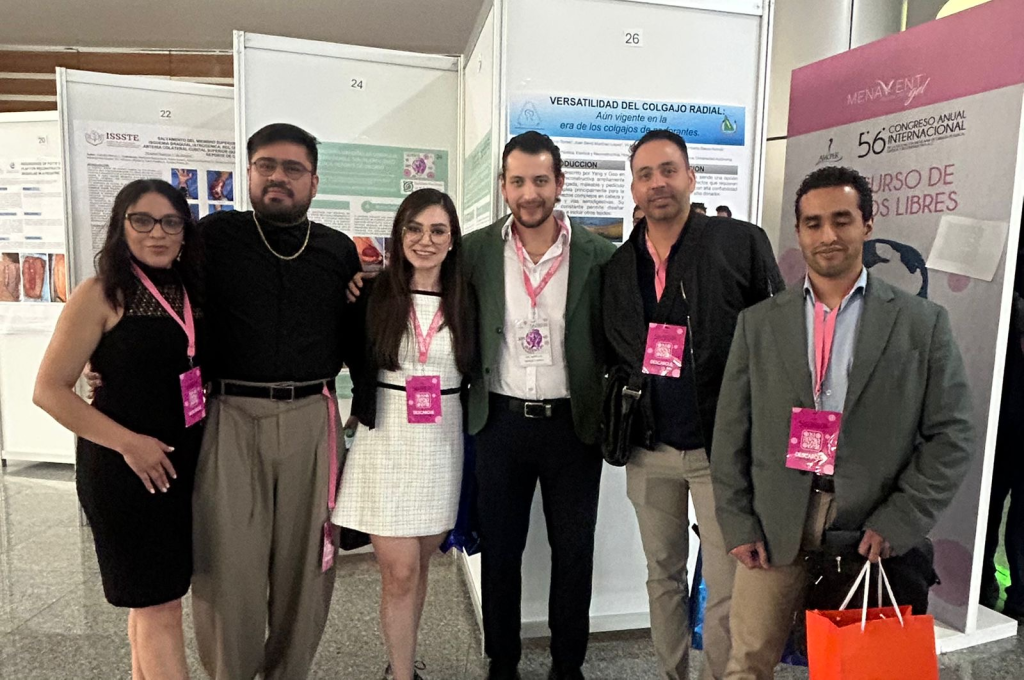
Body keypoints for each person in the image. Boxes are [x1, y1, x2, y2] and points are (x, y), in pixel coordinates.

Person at [710, 166, 973, 679]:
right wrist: (738, 522)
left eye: (841, 220)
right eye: (813, 223)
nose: (827, 235)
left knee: (858, 667)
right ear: (798, 231)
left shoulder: (921, 323)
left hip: (870, 526)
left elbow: (953, 434)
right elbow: (730, 433)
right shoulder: (759, 323)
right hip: (774, 523)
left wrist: (900, 519)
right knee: (747, 661)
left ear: (867, 224)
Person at [602, 130, 782, 680]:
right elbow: (615, 350)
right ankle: (672, 673)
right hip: (649, 448)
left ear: (691, 177)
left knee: (727, 584)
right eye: (645, 174)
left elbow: (777, 340)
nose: (657, 183)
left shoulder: (739, 243)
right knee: (662, 575)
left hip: (719, 453)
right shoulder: (618, 266)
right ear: (633, 187)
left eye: (668, 170)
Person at [190, 123, 361, 679]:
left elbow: (363, 329)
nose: (278, 177)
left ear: (314, 181)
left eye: (292, 168)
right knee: (228, 567)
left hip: (313, 416)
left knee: (307, 566)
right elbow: (167, 304)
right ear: (249, 173)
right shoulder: (214, 238)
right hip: (232, 414)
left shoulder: (336, 250)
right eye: (266, 165)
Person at [35, 179, 206, 679]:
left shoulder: (190, 290)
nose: (158, 233)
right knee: (160, 607)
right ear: (121, 226)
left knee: (151, 601)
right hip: (126, 471)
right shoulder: (100, 294)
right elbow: (48, 390)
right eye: (143, 220)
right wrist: (130, 444)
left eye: (170, 222)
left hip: (180, 465)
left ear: (184, 230)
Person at [335, 189, 473, 680]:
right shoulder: (371, 294)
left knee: (420, 565)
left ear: (452, 239)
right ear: (398, 234)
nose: (424, 240)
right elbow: (338, 348)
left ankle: (403, 661)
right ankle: (401, 674)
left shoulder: (466, 298)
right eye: (414, 229)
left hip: (442, 442)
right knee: (399, 571)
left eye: (437, 230)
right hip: (387, 441)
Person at [981, 242, 1024, 621]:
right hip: (999, 408)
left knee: (990, 506)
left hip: (999, 408)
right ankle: (991, 587)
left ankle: (985, 586)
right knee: (989, 506)